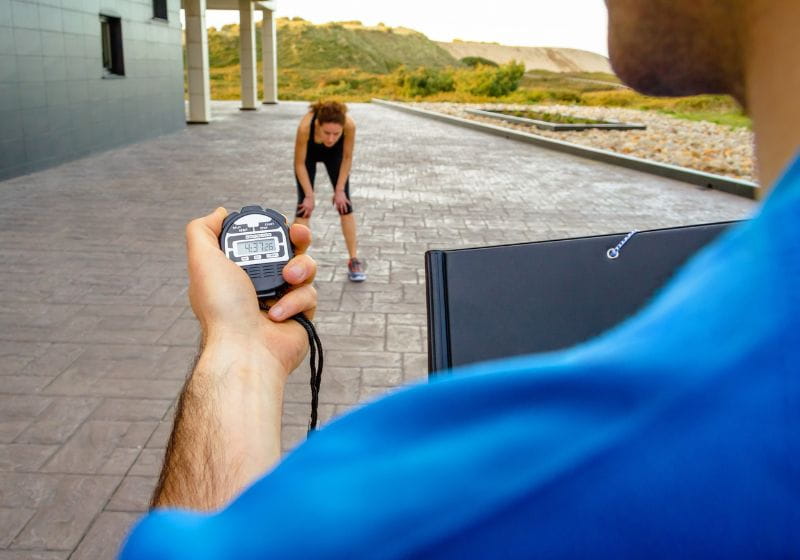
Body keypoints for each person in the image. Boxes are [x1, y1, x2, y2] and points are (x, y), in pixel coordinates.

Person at [121, 1, 799, 557]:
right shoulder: (306, 128)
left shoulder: (504, 492)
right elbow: (308, 168)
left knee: (345, 204)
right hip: (303, 185)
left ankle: (349, 247)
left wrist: (234, 354)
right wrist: (304, 203)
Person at [294, 99, 366, 282]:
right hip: (308, 157)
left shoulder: (349, 125)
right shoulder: (305, 127)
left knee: (345, 205)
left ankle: (353, 259)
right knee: (304, 208)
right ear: (318, 125)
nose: (331, 138)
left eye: (336, 133)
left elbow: (347, 157)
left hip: (336, 156)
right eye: (327, 133)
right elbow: (299, 164)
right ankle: (296, 262)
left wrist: (340, 190)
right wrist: (309, 196)